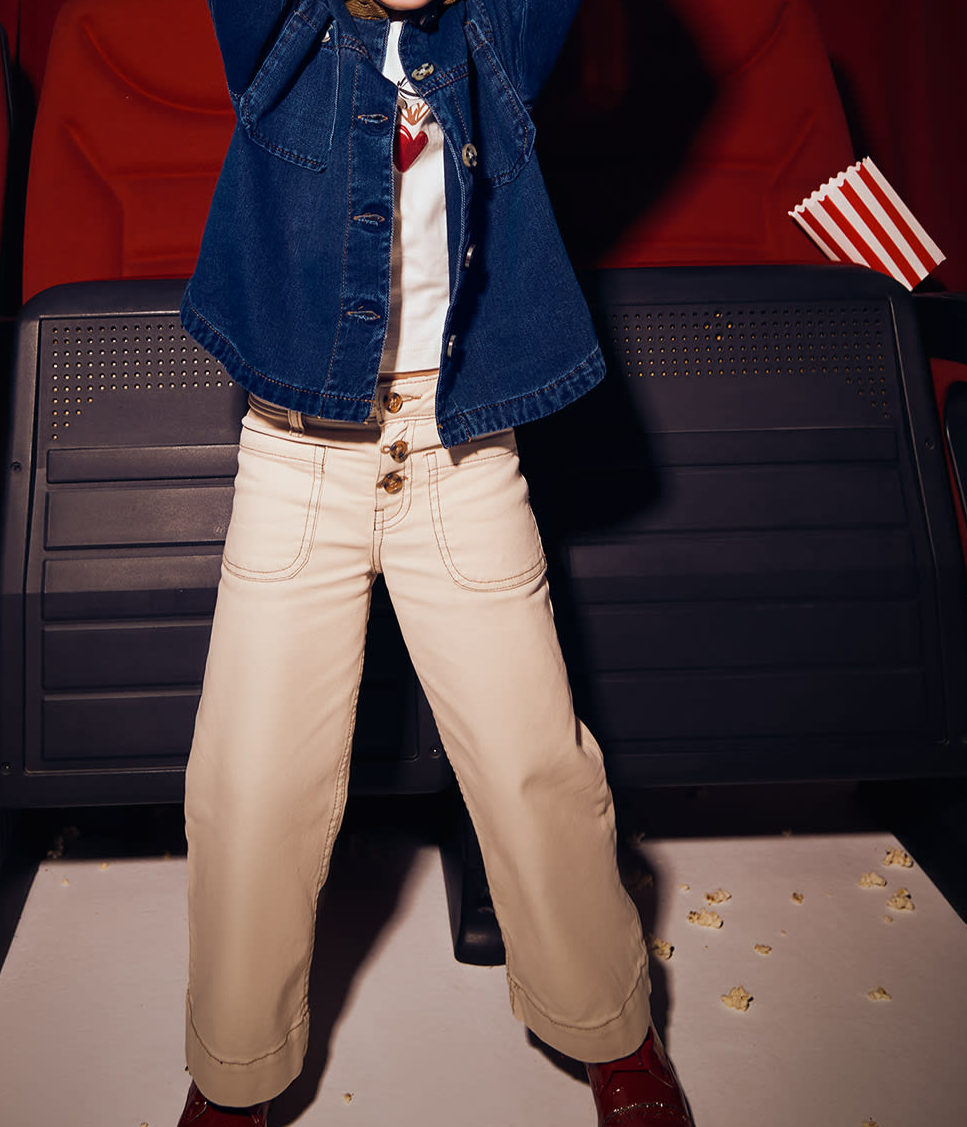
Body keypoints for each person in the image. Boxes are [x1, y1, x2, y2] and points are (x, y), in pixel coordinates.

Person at [177, 2, 694, 1124]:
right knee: (250, 780)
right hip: (300, 452)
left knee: (532, 763)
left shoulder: (493, 40)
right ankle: (230, 1075)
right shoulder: (281, 37)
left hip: (459, 444)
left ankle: (614, 1032)